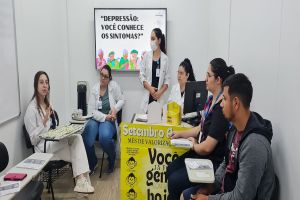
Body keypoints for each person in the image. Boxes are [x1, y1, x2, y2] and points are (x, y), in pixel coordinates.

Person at [187, 73, 275, 200]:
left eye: (224, 99)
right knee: (187, 195)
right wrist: (211, 187)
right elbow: (226, 162)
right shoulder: (235, 128)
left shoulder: (254, 144)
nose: (221, 104)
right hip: (226, 192)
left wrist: (208, 199)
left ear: (235, 103)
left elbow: (242, 197)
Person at [166, 58, 235, 200]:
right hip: (200, 154)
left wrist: (193, 145)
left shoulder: (221, 108)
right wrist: (181, 134)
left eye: (209, 75)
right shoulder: (210, 101)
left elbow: (207, 147)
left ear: (218, 80)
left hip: (210, 162)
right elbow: (200, 127)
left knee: (174, 181)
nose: (205, 79)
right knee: (171, 168)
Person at [24, 71, 94, 194]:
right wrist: (44, 121)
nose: (45, 85)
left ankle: (81, 182)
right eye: (41, 82)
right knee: (77, 143)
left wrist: (60, 130)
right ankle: (82, 182)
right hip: (43, 148)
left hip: (52, 144)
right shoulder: (31, 110)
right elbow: (33, 140)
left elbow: (51, 127)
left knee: (77, 143)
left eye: (46, 82)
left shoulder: (46, 104)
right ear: (35, 85)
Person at [82, 65, 125, 174]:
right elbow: (91, 111)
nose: (103, 78)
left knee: (104, 138)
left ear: (109, 78)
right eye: (101, 75)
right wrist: (105, 117)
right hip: (96, 118)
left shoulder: (113, 86)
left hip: (109, 120)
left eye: (106, 76)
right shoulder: (94, 89)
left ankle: (112, 158)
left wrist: (115, 109)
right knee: (86, 136)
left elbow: (122, 100)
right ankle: (93, 163)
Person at [139, 28, 170, 113]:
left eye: (153, 39)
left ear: (159, 40)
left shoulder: (165, 59)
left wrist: (159, 93)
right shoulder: (146, 56)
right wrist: (150, 89)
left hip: (159, 98)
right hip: (148, 96)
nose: (151, 41)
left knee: (158, 123)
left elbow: (167, 80)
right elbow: (141, 75)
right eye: (150, 39)